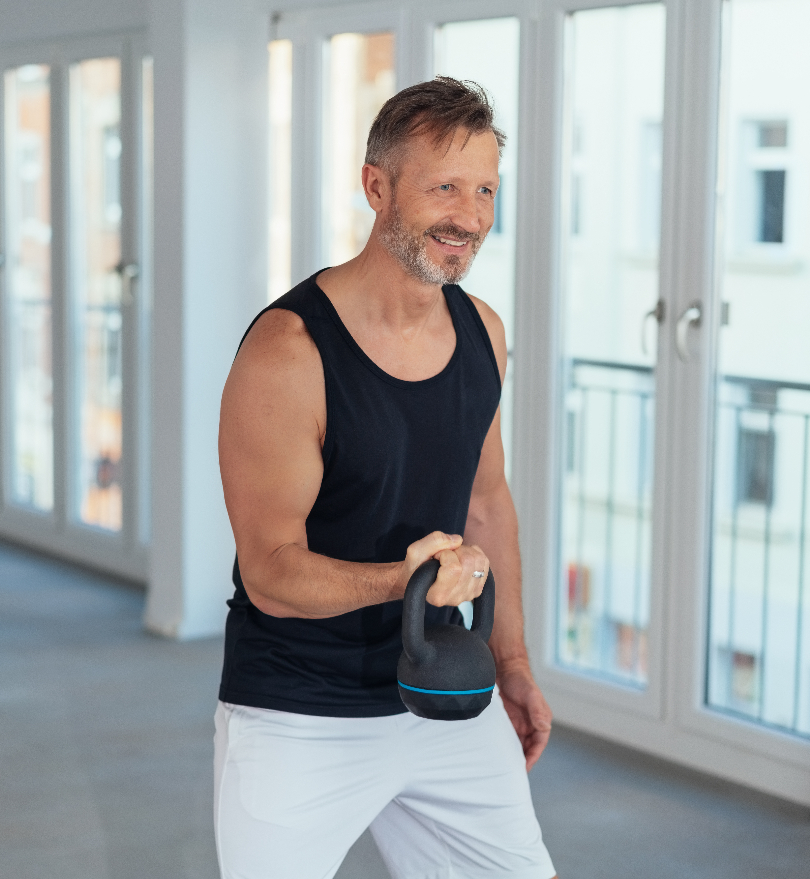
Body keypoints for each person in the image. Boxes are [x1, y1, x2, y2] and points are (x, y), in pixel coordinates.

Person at [215, 76, 557, 879]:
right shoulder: (289, 352)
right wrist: (402, 580)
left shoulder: (484, 333)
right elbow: (269, 573)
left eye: (484, 191)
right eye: (444, 187)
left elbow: (485, 499)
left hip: (442, 693)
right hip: (298, 709)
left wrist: (511, 661)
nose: (469, 217)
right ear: (377, 186)